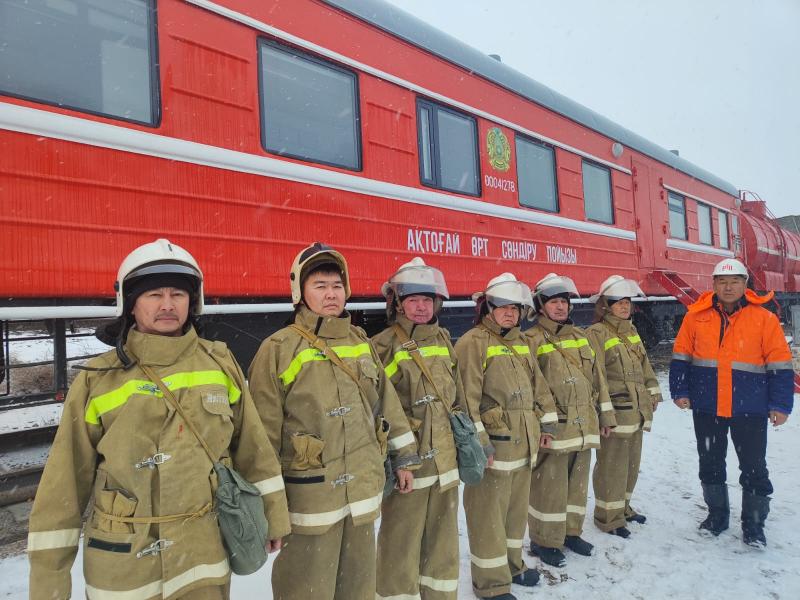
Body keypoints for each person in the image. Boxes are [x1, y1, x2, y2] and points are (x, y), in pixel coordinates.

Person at [27, 238, 290, 600]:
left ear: (192, 302)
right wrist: (48, 582)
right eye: (154, 295)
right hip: (125, 569)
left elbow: (253, 448)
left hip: (204, 557)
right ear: (130, 305)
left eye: (177, 295)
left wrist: (273, 516)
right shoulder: (97, 379)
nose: (168, 305)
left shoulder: (219, 363)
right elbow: (64, 485)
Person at [248, 242, 420, 600]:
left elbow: (386, 404)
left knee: (358, 587)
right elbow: (260, 438)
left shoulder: (361, 341)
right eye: (320, 286)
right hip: (309, 500)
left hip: (360, 494)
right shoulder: (278, 349)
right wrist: (270, 510)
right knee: (306, 589)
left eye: (337, 285)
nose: (331, 294)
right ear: (300, 293)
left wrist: (403, 457)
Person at [670, 258, 793, 547]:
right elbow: (680, 357)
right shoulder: (695, 317)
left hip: (748, 408)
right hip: (707, 405)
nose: (728, 287)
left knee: (753, 467)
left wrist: (781, 405)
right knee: (710, 462)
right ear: (713, 284)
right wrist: (679, 390)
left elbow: (780, 365)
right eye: (722, 282)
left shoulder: (764, 319)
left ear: (745, 285)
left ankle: (753, 524)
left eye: (735, 281)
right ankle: (717, 516)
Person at [455, 273, 557, 600]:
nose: (510, 313)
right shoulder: (473, 342)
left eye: (515, 307)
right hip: (494, 449)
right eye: (502, 306)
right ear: (488, 308)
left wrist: (548, 423)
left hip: (524, 445)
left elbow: (538, 386)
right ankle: (491, 584)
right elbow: (467, 399)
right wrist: (480, 443)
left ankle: (512, 566)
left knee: (514, 515)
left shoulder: (522, 342)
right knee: (488, 518)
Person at [372, 257, 465, 600]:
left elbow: (455, 394)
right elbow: (378, 407)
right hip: (408, 463)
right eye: (413, 300)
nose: (421, 307)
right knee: (400, 540)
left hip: (444, 463)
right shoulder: (381, 345)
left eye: (428, 300)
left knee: (442, 539)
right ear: (397, 303)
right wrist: (401, 458)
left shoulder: (442, 338)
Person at [524, 273, 616, 568]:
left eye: (564, 302)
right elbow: (531, 388)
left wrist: (605, 416)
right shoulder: (531, 340)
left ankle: (571, 533)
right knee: (548, 486)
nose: (561, 307)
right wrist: (541, 425)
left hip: (583, 425)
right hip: (555, 428)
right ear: (541, 306)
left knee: (576, 485)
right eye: (554, 302)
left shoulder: (581, 337)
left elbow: (597, 379)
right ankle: (544, 540)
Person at [586, 275, 662, 538]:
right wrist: (604, 413)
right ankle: (608, 516)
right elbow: (597, 376)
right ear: (605, 305)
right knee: (612, 466)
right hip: (617, 411)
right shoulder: (596, 333)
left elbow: (644, 366)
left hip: (637, 410)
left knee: (631, 463)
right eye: (618, 302)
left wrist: (653, 391)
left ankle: (624, 507)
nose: (624, 306)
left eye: (627, 301)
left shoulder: (631, 331)